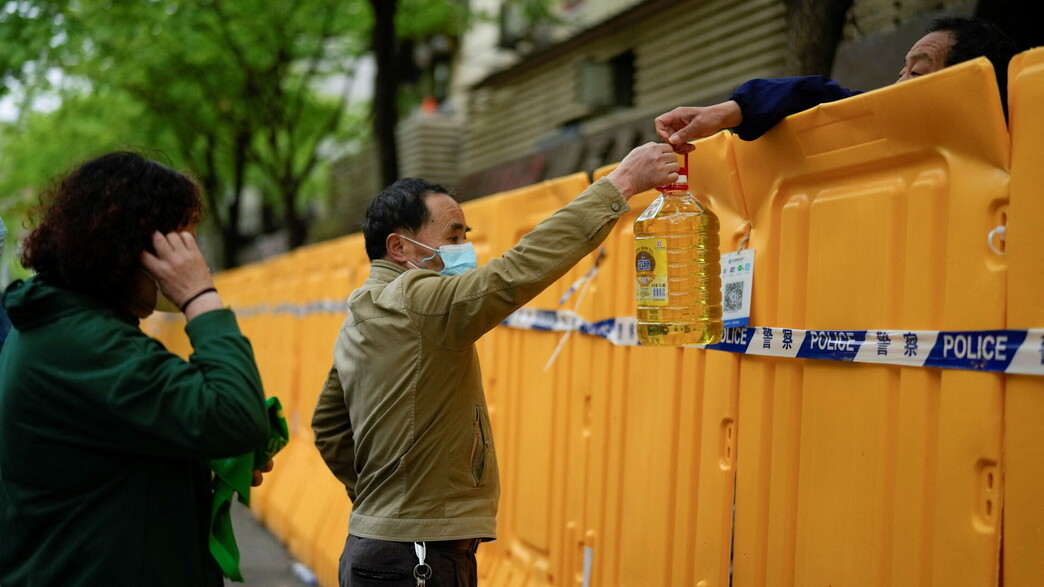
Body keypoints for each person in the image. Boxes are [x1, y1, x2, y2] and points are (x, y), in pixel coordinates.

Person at [312, 142, 679, 586]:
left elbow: (329, 425)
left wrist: (382, 503)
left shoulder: (360, 311)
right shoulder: (420, 300)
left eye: (466, 235)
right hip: (418, 559)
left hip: (371, 548)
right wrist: (619, 186)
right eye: (452, 237)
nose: (465, 249)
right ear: (399, 247)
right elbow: (516, 271)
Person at [0, 151, 272, 586]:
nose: (195, 259)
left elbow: (113, 451)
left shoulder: (69, 325)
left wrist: (200, 459)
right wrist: (200, 295)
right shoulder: (83, 343)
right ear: (137, 246)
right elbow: (234, 416)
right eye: (184, 240)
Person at [655, 16, 1018, 147]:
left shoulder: (1017, 150)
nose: (898, 85)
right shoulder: (885, 131)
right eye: (901, 72)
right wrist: (727, 112)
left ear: (970, 84)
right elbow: (823, 98)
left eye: (917, 72)